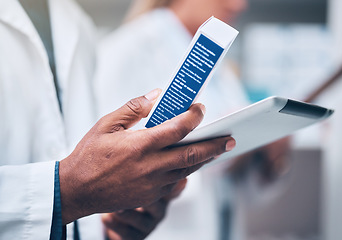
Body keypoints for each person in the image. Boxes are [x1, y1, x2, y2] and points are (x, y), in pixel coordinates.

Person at [0, 0, 235, 239]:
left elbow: (86, 156)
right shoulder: (125, 46)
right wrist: (67, 193)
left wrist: (114, 220)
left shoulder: (76, 24)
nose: (240, 5)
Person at [94, 0, 249, 239]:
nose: (238, 5)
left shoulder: (222, 67)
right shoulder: (127, 49)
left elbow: (236, 185)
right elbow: (103, 165)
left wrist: (261, 151)